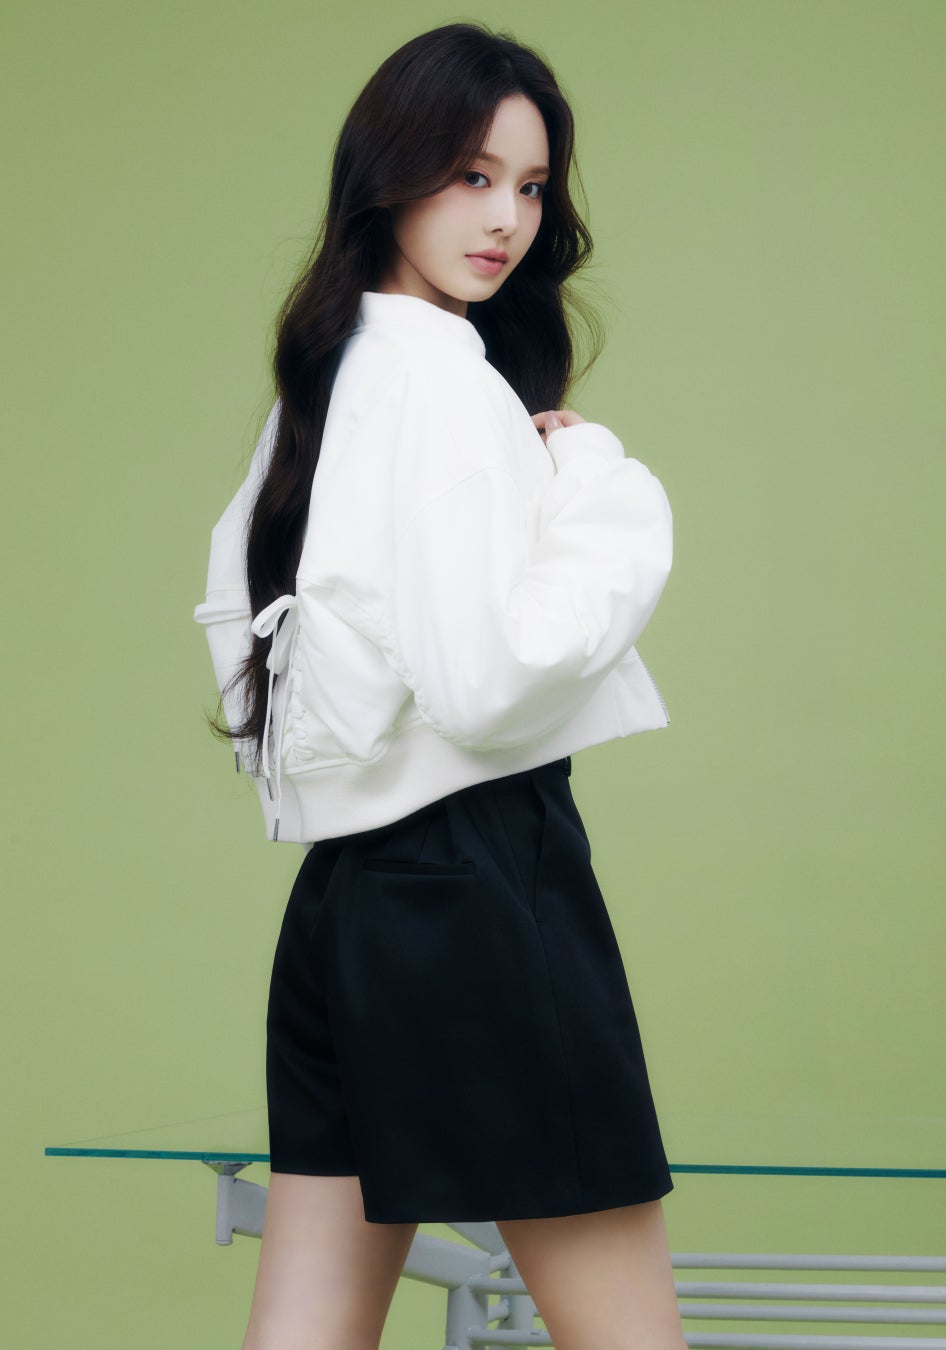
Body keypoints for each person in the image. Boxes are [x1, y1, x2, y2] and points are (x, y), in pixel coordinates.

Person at [194, 20, 685, 1350]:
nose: (507, 219)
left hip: (348, 900)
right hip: (481, 887)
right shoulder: (440, 383)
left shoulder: (330, 379)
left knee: (306, 1329)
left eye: (530, 186)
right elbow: (487, 684)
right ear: (391, 173)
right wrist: (602, 488)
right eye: (471, 175)